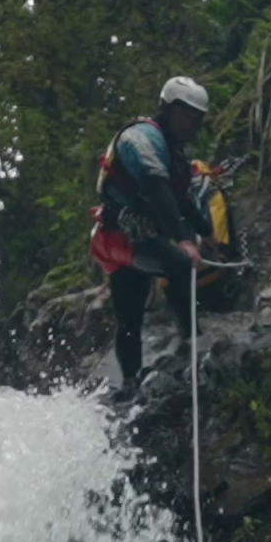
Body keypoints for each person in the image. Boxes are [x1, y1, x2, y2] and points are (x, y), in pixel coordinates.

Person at [93, 76, 216, 404]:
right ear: (170, 109)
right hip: (120, 236)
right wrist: (184, 240)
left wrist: (205, 231)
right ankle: (193, 345)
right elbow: (155, 187)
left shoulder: (174, 153)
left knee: (130, 314)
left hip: (132, 239)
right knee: (178, 265)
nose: (193, 124)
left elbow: (182, 199)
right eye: (188, 116)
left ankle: (131, 382)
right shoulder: (141, 138)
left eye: (198, 118)